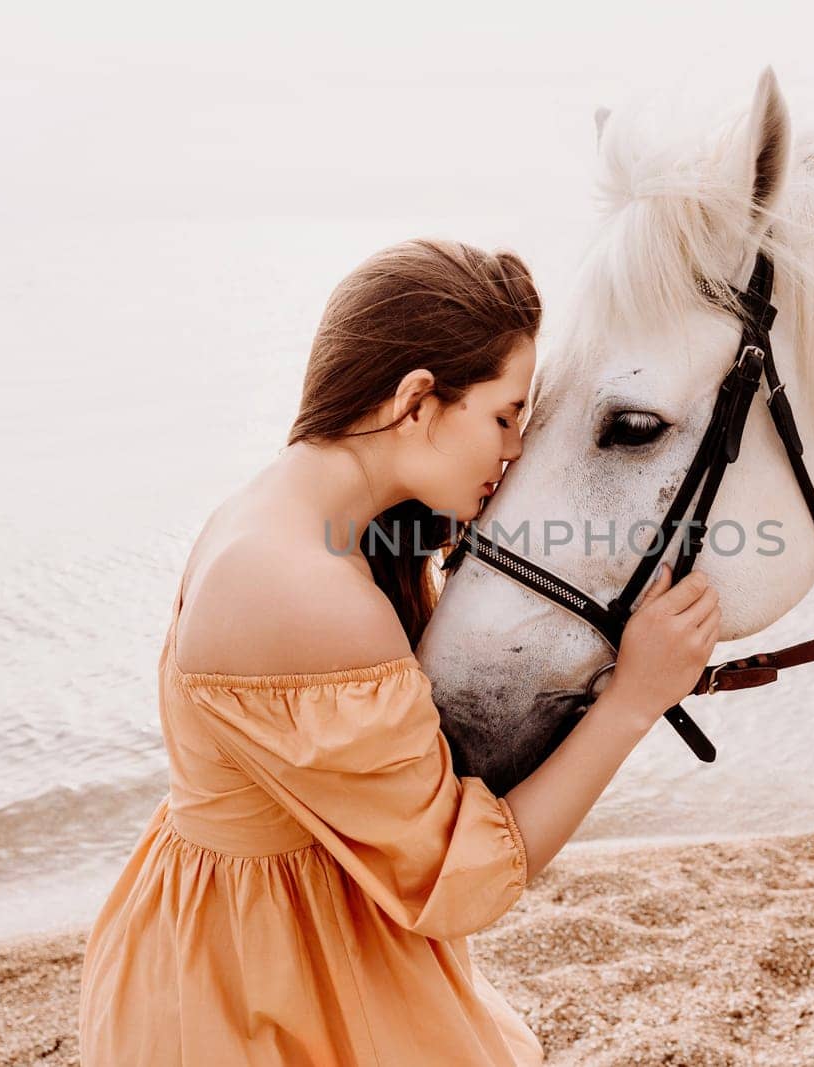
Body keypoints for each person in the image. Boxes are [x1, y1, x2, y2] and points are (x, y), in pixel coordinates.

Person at [77, 238, 720, 1065]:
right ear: (417, 400)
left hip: (276, 927)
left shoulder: (303, 520)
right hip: (253, 987)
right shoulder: (306, 590)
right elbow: (462, 876)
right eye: (504, 415)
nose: (516, 449)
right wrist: (635, 699)